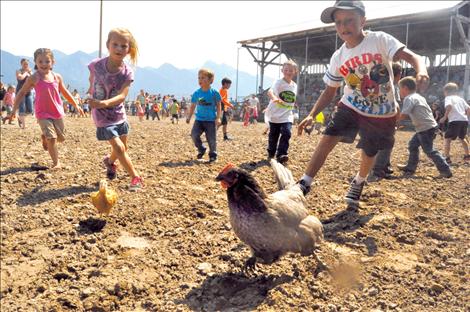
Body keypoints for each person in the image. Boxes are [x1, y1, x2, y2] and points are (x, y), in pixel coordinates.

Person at [297, 0, 430, 205]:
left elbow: (413, 56)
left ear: (363, 21)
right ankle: (305, 182)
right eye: (338, 22)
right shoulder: (338, 56)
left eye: (349, 21)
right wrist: (312, 114)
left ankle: (359, 181)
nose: (343, 27)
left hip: (382, 111)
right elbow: (330, 91)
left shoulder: (379, 40)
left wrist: (421, 70)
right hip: (350, 105)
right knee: (327, 137)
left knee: (370, 151)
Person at [87, 28, 144, 190]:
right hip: (102, 116)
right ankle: (136, 178)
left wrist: (103, 103)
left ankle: (110, 162)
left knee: (122, 148)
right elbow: (91, 77)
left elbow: (122, 96)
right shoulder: (96, 65)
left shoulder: (127, 73)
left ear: (129, 49)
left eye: (123, 46)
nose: (119, 48)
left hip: (118, 114)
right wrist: (91, 89)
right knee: (119, 147)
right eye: (115, 44)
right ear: (108, 45)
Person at [11, 48, 84, 169]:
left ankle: (44, 137)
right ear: (35, 62)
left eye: (47, 61)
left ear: (52, 62)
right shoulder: (34, 78)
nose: (44, 64)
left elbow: (65, 92)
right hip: (42, 113)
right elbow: (21, 92)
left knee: (61, 137)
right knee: (53, 138)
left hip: (57, 111)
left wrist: (76, 104)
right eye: (40, 61)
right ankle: (56, 163)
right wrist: (14, 109)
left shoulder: (57, 77)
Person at [396, 77, 452, 178]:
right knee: (413, 145)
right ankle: (410, 167)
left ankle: (445, 170)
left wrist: (394, 122)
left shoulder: (409, 98)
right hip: (427, 127)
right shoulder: (418, 97)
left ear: (405, 88)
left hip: (425, 128)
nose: (399, 91)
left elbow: (404, 114)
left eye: (399, 88)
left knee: (429, 150)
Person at [368, 62, 403, 182]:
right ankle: (377, 170)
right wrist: (396, 121)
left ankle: (385, 166)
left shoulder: (377, 83)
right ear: (397, 75)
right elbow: (396, 106)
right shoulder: (392, 86)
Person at [265, 59, 298, 164]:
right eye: (286, 70)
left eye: (291, 70)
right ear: (282, 70)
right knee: (273, 135)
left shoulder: (294, 85)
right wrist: (274, 98)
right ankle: (271, 151)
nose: (288, 72)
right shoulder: (278, 82)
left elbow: (291, 99)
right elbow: (269, 91)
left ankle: (281, 154)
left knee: (287, 132)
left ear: (295, 72)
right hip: (275, 114)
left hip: (287, 115)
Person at [186, 68, 222, 163]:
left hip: (210, 120)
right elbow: (193, 106)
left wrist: (218, 118)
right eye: (199, 78)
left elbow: (219, 106)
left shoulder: (215, 93)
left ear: (211, 80)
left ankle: (213, 155)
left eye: (203, 78)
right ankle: (201, 148)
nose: (200, 80)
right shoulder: (197, 93)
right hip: (199, 120)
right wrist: (189, 117)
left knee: (211, 139)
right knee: (194, 135)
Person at [439, 82, 470, 163]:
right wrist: (465, 116)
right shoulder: (461, 99)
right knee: (462, 138)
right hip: (464, 120)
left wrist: (445, 117)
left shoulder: (448, 98)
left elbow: (449, 106)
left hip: (454, 121)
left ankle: (447, 158)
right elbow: (468, 108)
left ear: (446, 91)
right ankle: (467, 155)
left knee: (447, 139)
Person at [16, 58, 34, 128]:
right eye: (24, 64)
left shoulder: (30, 72)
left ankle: (20, 118)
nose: (26, 65)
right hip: (21, 91)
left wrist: (29, 73)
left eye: (27, 64)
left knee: (30, 110)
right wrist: (26, 73)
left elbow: (33, 79)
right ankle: (24, 125)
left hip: (28, 91)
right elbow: (20, 78)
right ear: (21, 64)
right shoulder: (18, 71)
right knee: (22, 108)